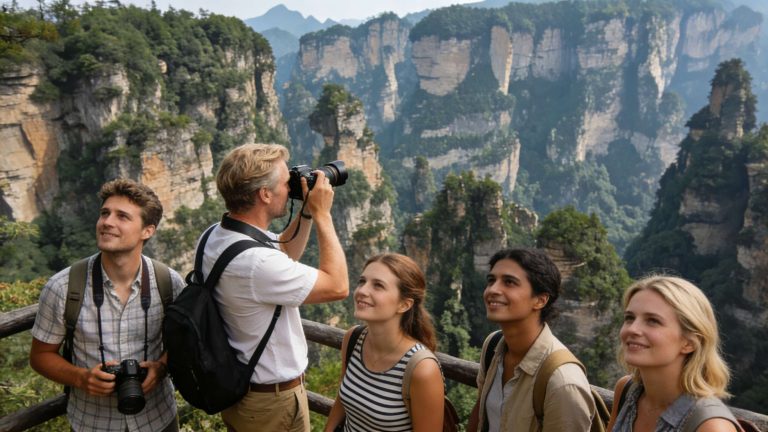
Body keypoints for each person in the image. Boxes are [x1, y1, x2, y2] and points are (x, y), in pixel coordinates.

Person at [205, 143, 349, 432]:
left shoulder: (217, 233)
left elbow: (282, 252)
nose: (292, 186)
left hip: (244, 392)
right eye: (287, 182)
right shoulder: (256, 263)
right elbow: (338, 286)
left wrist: (306, 212)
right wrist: (323, 214)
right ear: (265, 194)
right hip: (270, 402)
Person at [30, 179, 185, 432]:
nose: (107, 222)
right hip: (92, 422)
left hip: (158, 419)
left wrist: (162, 367)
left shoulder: (167, 283)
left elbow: (183, 342)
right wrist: (81, 378)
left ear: (148, 230)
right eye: (105, 213)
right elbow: (40, 356)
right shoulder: (63, 288)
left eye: (122, 216)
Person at [468, 248, 596, 432]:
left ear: (540, 300)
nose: (493, 290)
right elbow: (481, 413)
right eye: (491, 280)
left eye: (509, 282)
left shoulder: (563, 383)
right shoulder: (493, 345)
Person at [324, 253, 445, 432]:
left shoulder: (421, 369)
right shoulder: (354, 339)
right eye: (362, 281)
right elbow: (342, 399)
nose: (362, 291)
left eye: (378, 285)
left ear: (404, 305)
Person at [606, 276, 739, 432]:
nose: (632, 329)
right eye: (629, 318)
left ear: (689, 343)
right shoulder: (627, 391)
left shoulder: (711, 427)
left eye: (653, 321)